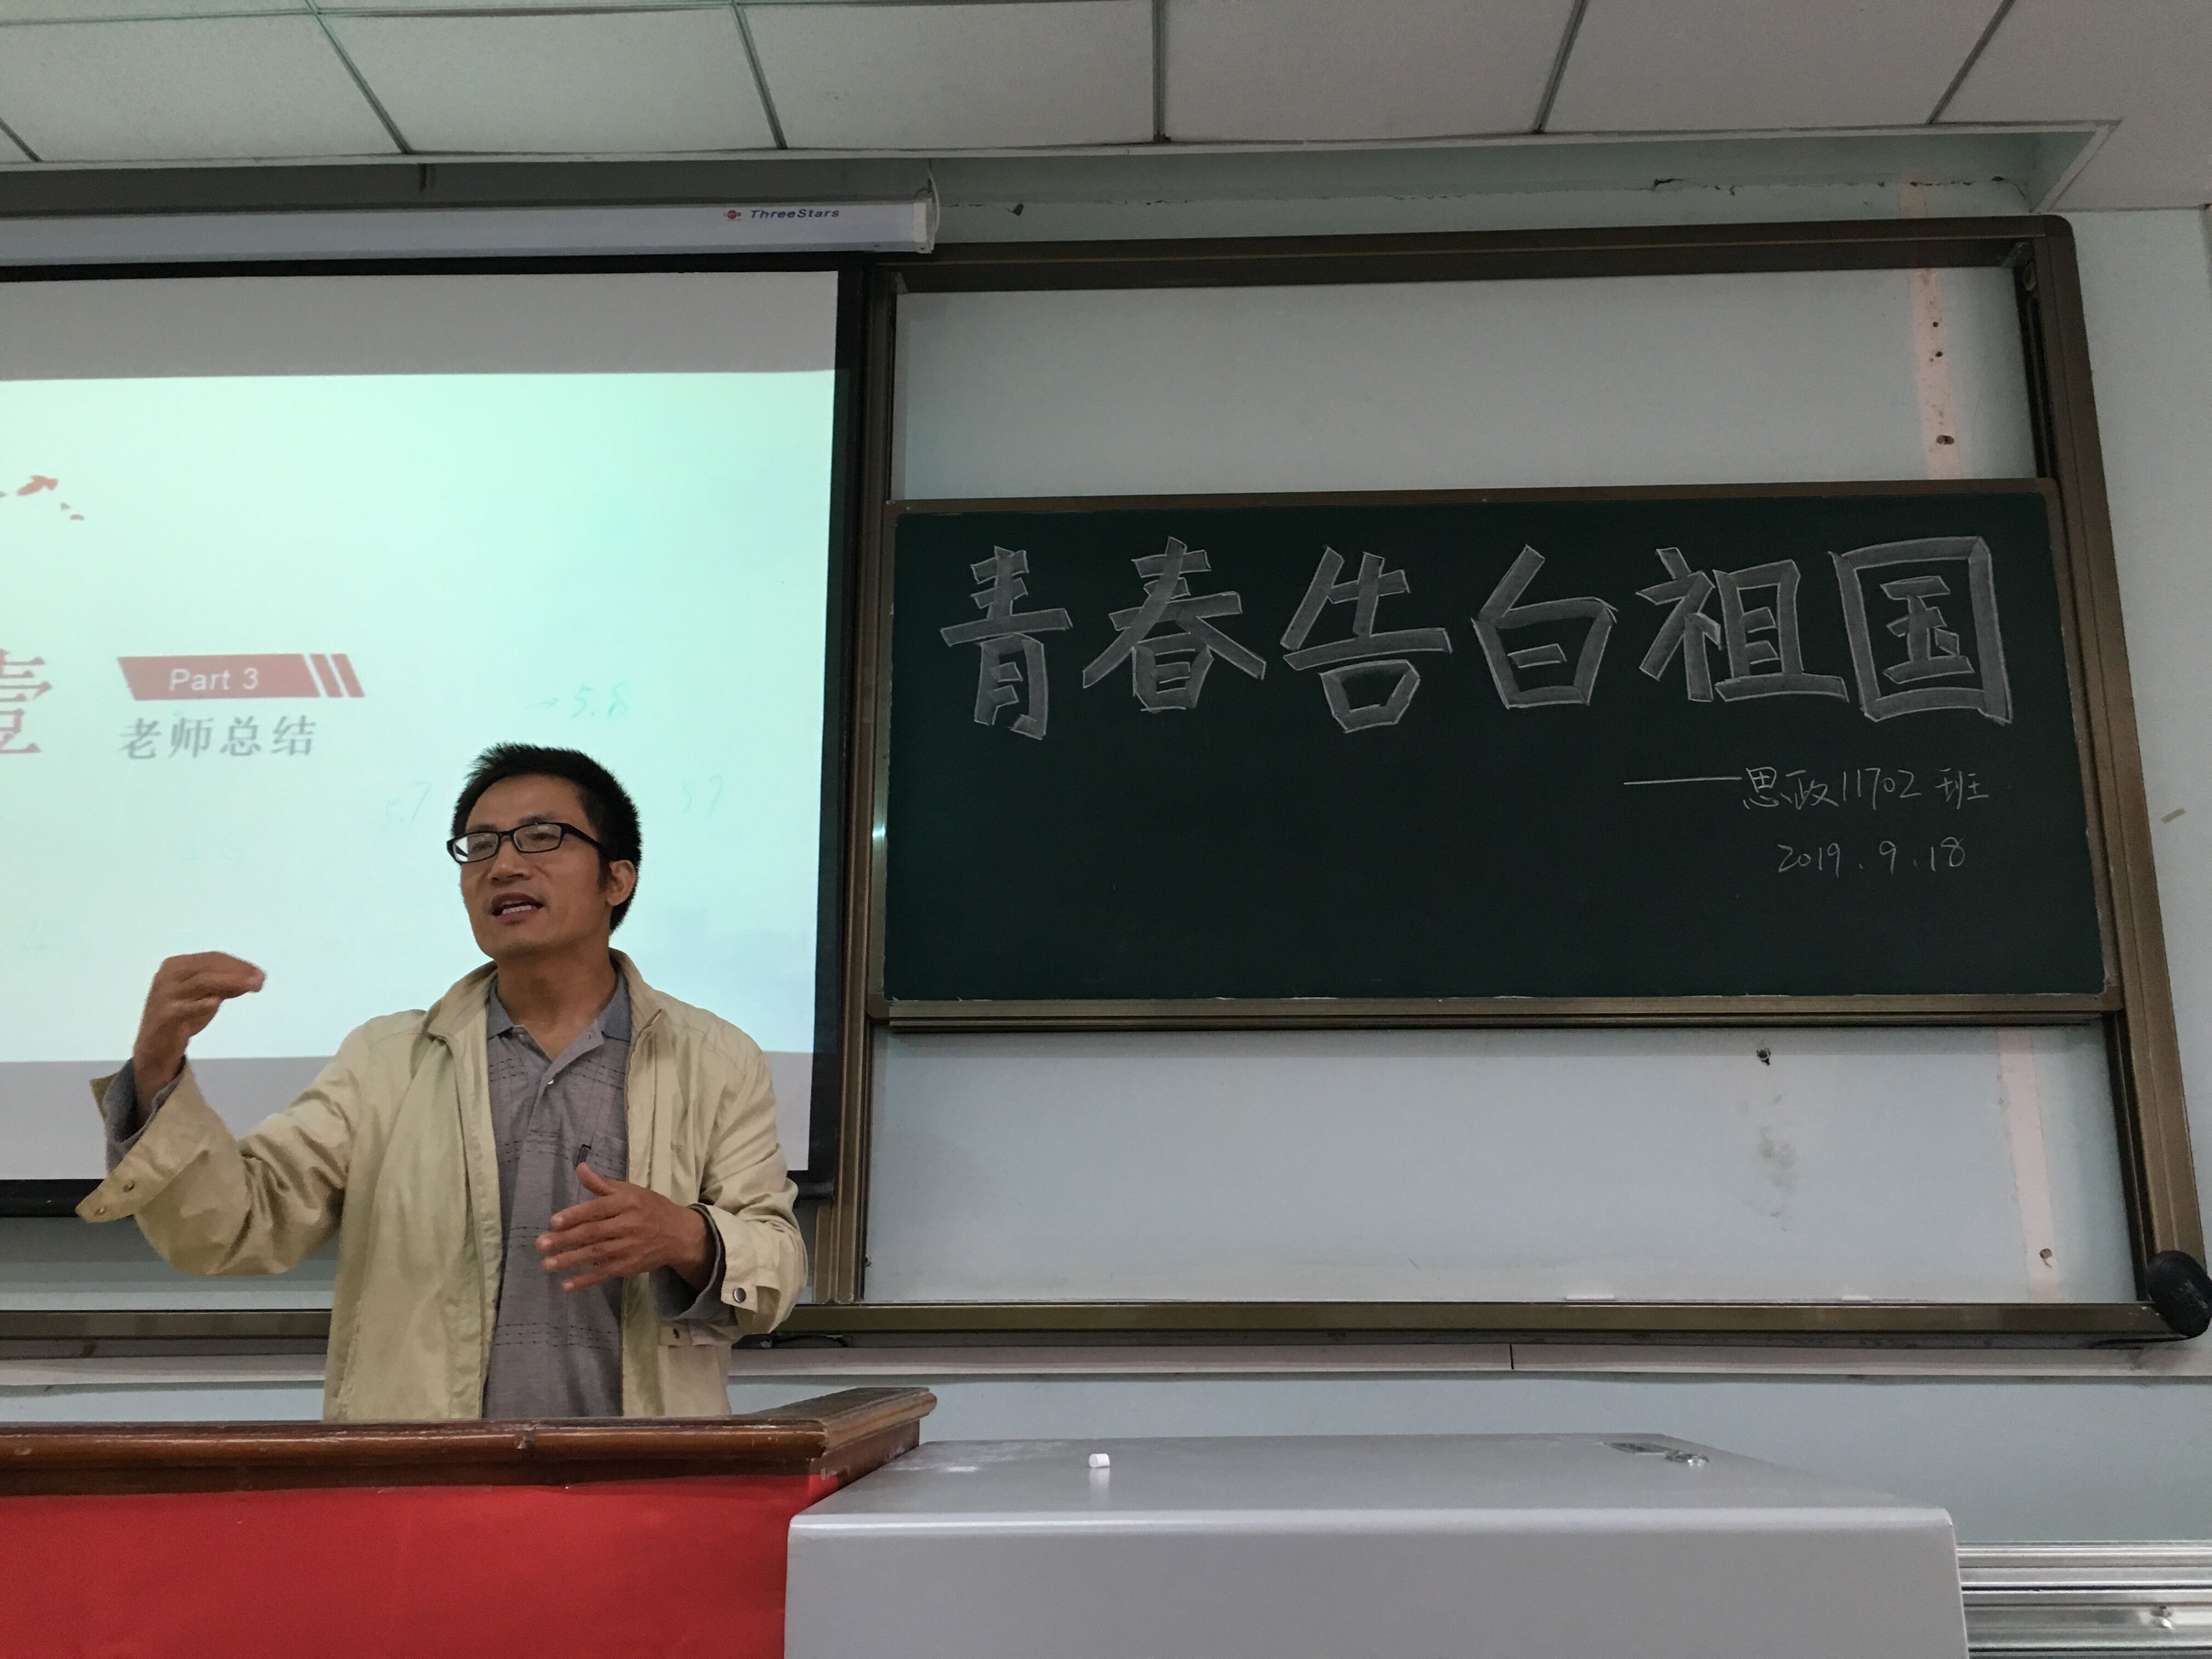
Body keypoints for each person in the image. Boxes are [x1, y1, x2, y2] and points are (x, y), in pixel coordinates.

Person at [77, 743, 806, 1421]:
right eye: (479, 846)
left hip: (640, 1479)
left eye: (540, 838)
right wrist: (157, 1067)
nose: (504, 866)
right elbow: (238, 1225)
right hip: (424, 1481)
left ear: (618, 878)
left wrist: (687, 1236)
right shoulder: (387, 1060)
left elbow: (778, 1264)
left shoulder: (713, 1058)